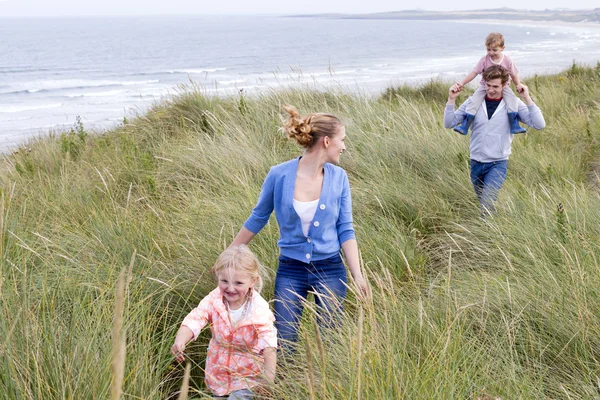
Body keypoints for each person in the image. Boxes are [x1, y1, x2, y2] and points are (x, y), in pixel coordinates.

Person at [230, 105, 368, 348]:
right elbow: (258, 217)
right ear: (326, 141)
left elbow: (346, 229)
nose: (345, 146)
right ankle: (283, 383)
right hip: (290, 270)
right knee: (284, 340)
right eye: (342, 140)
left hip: (330, 270)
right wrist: (229, 254)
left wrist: (358, 276)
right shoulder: (278, 175)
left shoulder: (339, 178)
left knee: (331, 342)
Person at [170, 245, 277, 399]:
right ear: (218, 277)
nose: (231, 288)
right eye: (224, 281)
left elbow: (269, 347)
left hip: (247, 376)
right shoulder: (214, 300)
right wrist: (180, 340)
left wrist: (268, 381)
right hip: (218, 375)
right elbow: (197, 317)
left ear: (253, 281)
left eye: (238, 283)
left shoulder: (259, 310)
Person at [444, 65, 546, 216]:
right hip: (476, 162)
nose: (490, 90)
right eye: (488, 85)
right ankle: (492, 229)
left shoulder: (514, 104)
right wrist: (451, 99)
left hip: (498, 163)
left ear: (505, 85)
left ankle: (488, 235)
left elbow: (539, 124)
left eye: (495, 86)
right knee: (484, 204)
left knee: (487, 205)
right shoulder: (473, 102)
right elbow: (449, 123)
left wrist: (527, 98)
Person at [455, 32, 526, 135]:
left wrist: (518, 85)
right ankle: (465, 125)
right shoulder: (484, 60)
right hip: (485, 86)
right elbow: (474, 72)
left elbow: (514, 74)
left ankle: (514, 125)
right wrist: (462, 83)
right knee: (474, 101)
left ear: (503, 48)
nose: (491, 53)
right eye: (488, 49)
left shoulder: (508, 61)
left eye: (495, 50)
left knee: (512, 101)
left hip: (503, 87)